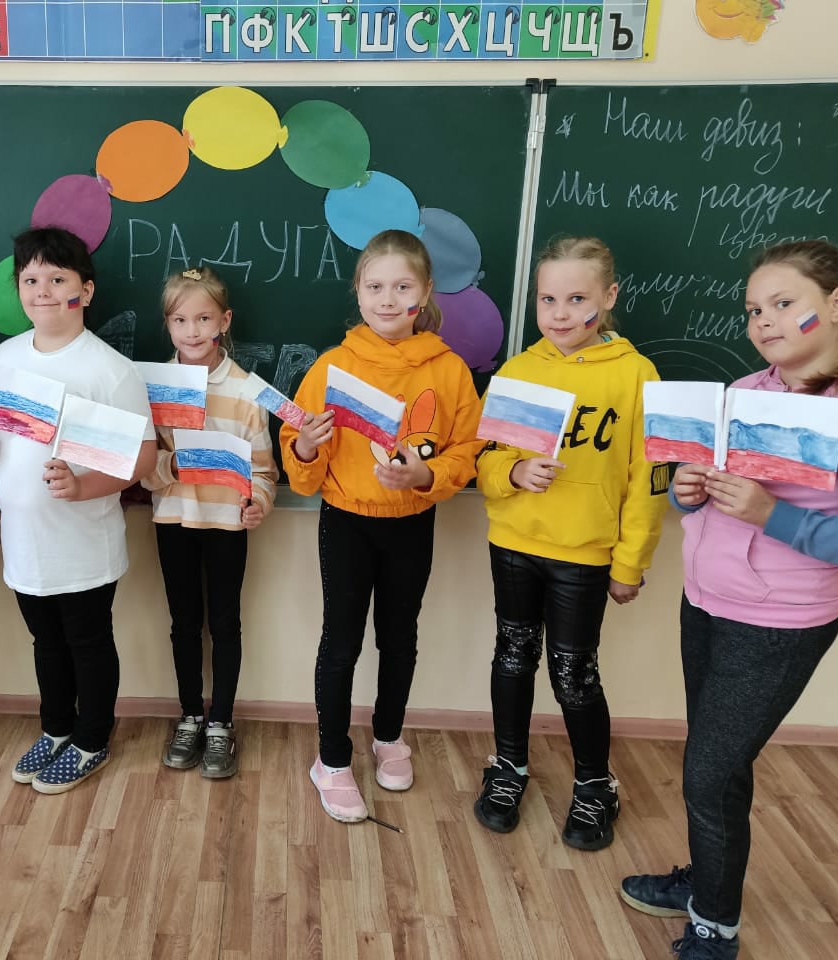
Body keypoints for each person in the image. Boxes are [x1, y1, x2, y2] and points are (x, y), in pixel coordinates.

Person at [620, 240, 838, 958]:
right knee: (717, 765)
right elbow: (706, 495)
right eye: (754, 310)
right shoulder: (742, 392)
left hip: (780, 623)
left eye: (783, 304)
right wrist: (688, 492)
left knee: (706, 773)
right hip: (707, 601)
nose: (763, 321)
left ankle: (715, 928)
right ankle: (708, 882)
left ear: (837, 304)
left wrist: (772, 515)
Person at [279, 228, 484, 823]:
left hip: (411, 523)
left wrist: (425, 475)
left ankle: (389, 735)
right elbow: (298, 449)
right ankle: (332, 758)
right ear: (358, 290)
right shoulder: (332, 365)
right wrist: (308, 446)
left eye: (402, 287)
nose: (388, 299)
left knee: (399, 637)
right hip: (346, 521)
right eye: (375, 287)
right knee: (340, 641)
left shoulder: (449, 370)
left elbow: (468, 449)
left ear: (426, 292)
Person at [473, 236, 667, 851]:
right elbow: (484, 456)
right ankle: (509, 766)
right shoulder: (519, 371)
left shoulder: (636, 375)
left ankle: (594, 785)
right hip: (514, 543)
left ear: (608, 297)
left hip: (584, 554)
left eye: (577, 299)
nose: (559, 314)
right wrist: (512, 472)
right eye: (547, 299)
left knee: (573, 674)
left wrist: (630, 563)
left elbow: (650, 480)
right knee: (512, 656)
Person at [0, 227, 156, 794]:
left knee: (87, 642)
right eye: (30, 280)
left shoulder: (109, 370)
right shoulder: (5, 358)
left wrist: (83, 486)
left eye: (57, 278)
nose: (42, 290)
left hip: (83, 540)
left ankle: (92, 738)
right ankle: (56, 727)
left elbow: (143, 458)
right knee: (45, 641)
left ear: (85, 291)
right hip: (26, 540)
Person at [140, 266, 277, 779]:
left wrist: (258, 501)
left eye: (203, 318)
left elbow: (264, 470)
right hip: (174, 518)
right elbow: (142, 464)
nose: (192, 330)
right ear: (168, 325)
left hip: (226, 523)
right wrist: (170, 467)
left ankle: (221, 721)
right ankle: (190, 716)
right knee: (182, 623)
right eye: (180, 320)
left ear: (224, 320)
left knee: (224, 624)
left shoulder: (247, 391)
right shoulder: (153, 385)